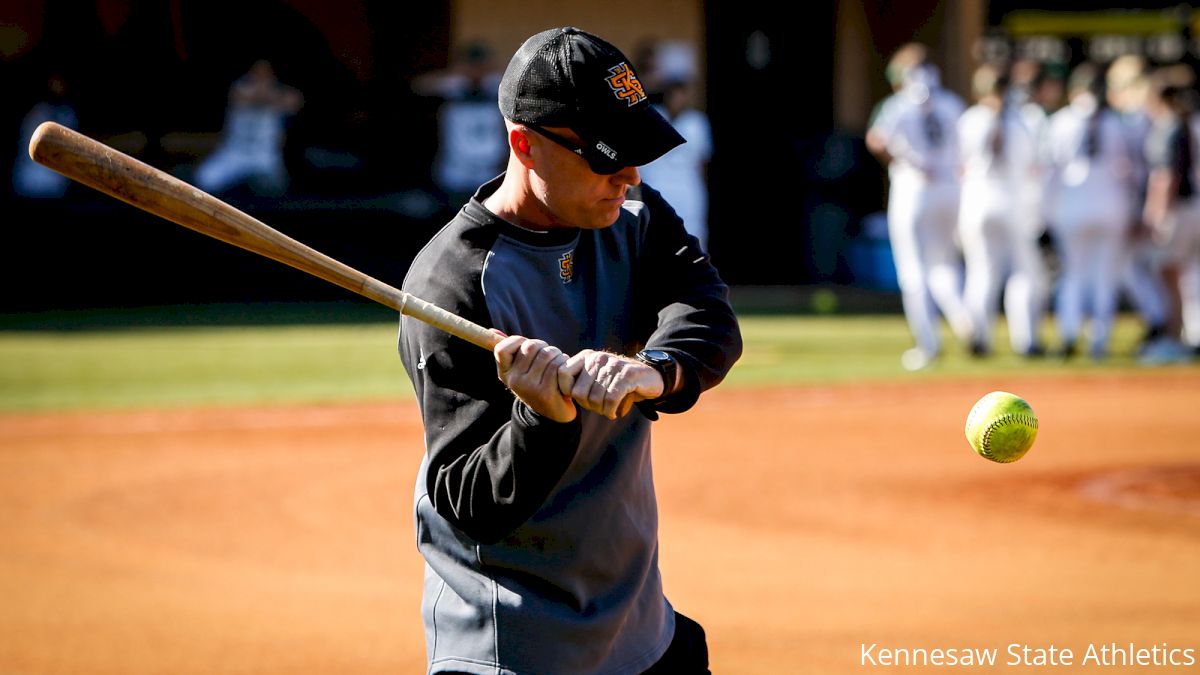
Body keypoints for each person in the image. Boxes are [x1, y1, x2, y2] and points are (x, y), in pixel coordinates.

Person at [397, 27, 742, 674]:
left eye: (636, 152)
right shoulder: (452, 283)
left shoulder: (634, 214)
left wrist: (654, 370)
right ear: (524, 144)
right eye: (608, 157)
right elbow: (468, 501)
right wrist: (542, 417)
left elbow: (709, 314)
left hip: (641, 626)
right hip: (519, 648)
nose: (630, 175)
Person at [867, 43, 973, 370]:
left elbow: (876, 139)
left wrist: (902, 161)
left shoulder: (897, 105)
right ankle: (965, 320)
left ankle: (928, 344)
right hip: (951, 190)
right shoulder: (952, 102)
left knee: (913, 269)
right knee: (944, 264)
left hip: (914, 189)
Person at [1042, 62, 1137, 360]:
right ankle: (1100, 341)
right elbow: (1130, 171)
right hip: (1111, 207)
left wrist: (1043, 216)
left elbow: (1050, 173)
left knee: (1073, 275)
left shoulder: (1061, 121)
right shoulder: (1117, 122)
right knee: (1104, 277)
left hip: (1073, 207)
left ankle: (1069, 335)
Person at [957, 63, 1048, 357]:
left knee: (982, 271)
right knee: (1023, 273)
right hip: (1013, 202)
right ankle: (1026, 341)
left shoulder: (970, 120)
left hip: (977, 201)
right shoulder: (1023, 120)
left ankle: (980, 338)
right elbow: (1035, 168)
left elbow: (958, 167)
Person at [1139, 75, 1199, 364]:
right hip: (1193, 206)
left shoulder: (1167, 126)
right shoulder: (1189, 122)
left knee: (1168, 275)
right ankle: (1190, 336)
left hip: (1177, 210)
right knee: (1188, 277)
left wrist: (1156, 213)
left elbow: (1166, 176)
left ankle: (1174, 338)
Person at [411, 41, 507, 212]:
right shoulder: (453, 85)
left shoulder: (498, 85)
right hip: (455, 173)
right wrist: (460, 76)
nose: (476, 70)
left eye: (481, 65)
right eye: (472, 65)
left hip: (489, 173)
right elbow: (419, 85)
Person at [193, 59, 303, 197]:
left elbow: (295, 102)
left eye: (265, 74)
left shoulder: (280, 94)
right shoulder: (239, 89)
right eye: (258, 73)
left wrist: (270, 94)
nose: (261, 78)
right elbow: (242, 96)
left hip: (263, 156)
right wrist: (265, 95)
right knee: (205, 179)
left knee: (275, 187)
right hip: (234, 153)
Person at [639, 77, 713, 249]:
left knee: (692, 232)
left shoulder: (696, 122)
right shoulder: (652, 117)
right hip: (654, 185)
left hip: (687, 189)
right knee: (654, 235)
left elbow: (702, 160)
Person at [13, 71, 78, 199]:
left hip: (54, 186)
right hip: (28, 182)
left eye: (60, 84)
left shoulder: (67, 113)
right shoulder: (37, 111)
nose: (58, 87)